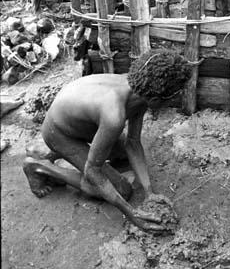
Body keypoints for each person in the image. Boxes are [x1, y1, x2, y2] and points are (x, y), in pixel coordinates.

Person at [23, 50, 191, 231]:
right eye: (173, 97)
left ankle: (49, 151)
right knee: (122, 190)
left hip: (78, 122)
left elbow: (133, 143)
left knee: (125, 155)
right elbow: (93, 171)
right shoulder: (114, 115)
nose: (175, 100)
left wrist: (149, 192)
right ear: (156, 99)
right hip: (58, 131)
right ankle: (40, 166)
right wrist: (132, 214)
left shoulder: (140, 86)